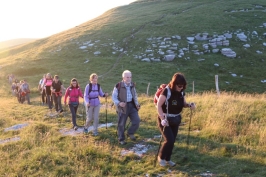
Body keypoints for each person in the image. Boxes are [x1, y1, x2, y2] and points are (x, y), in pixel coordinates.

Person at [156, 72, 196, 167]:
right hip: (165, 118)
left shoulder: (181, 92)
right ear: (174, 84)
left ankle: (168, 159)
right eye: (179, 86)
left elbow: (183, 104)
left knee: (173, 140)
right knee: (169, 140)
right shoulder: (166, 91)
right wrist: (162, 118)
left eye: (182, 86)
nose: (181, 88)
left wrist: (189, 105)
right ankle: (161, 158)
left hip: (176, 119)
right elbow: (159, 105)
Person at [112, 70, 141, 145]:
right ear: (123, 77)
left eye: (130, 77)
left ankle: (130, 132)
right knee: (121, 124)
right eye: (127, 77)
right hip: (122, 107)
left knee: (136, 121)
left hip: (132, 105)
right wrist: (119, 103)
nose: (129, 79)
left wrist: (137, 104)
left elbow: (134, 95)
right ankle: (121, 139)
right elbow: (114, 97)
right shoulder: (118, 85)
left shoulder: (132, 85)